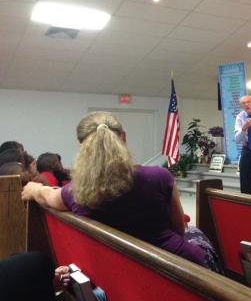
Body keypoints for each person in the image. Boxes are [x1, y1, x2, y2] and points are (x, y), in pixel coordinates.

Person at [22, 111, 221, 272]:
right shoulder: (159, 176)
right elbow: (179, 231)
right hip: (181, 267)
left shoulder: (76, 192)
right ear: (123, 137)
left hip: (120, 274)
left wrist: (35, 188)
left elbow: (47, 196)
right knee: (195, 231)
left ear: (83, 147)